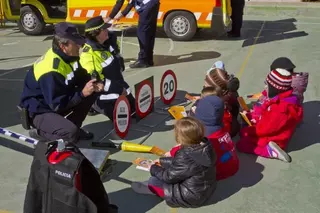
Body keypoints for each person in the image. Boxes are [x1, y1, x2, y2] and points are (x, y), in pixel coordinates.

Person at [19, 22, 101, 143]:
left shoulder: (69, 56)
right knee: (69, 134)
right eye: (76, 43)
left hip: (56, 100)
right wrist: (82, 93)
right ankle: (42, 133)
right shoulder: (51, 70)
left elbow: (82, 76)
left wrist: (94, 83)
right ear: (63, 46)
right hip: (39, 110)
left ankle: (72, 129)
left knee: (91, 92)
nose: (80, 46)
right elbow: (57, 105)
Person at [131, 117, 216, 208]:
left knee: (153, 181)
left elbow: (169, 177)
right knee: (161, 171)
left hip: (190, 196)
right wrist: (162, 161)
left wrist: (152, 167)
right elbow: (185, 165)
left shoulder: (185, 154)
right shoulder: (205, 147)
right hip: (205, 188)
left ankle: (151, 189)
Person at [237, 69, 303, 163]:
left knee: (242, 143)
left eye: (267, 85)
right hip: (280, 132)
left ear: (275, 88)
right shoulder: (287, 99)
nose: (265, 87)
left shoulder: (280, 109)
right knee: (244, 132)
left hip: (276, 139)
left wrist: (251, 127)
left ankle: (269, 151)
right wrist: (255, 116)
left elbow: (264, 130)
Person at [170, 95, 239, 181]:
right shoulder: (222, 128)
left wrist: (174, 150)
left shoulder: (206, 138)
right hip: (233, 165)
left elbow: (190, 153)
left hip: (219, 173)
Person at [80, 16, 136, 121]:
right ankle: (93, 105)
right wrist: (119, 90)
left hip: (118, 84)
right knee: (123, 119)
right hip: (102, 93)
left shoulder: (106, 43)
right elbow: (97, 83)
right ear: (95, 33)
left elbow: (115, 54)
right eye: (104, 29)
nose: (107, 30)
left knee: (135, 111)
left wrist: (113, 42)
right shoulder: (89, 55)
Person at [105, 0, 160, 68]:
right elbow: (131, 2)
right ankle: (148, 59)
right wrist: (121, 14)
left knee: (142, 33)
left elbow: (119, 3)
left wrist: (109, 18)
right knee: (149, 32)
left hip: (147, 6)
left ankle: (143, 60)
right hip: (153, 3)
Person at [204, 68, 240, 137]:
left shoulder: (219, 101)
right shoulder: (229, 91)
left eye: (207, 81)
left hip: (227, 129)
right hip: (232, 118)